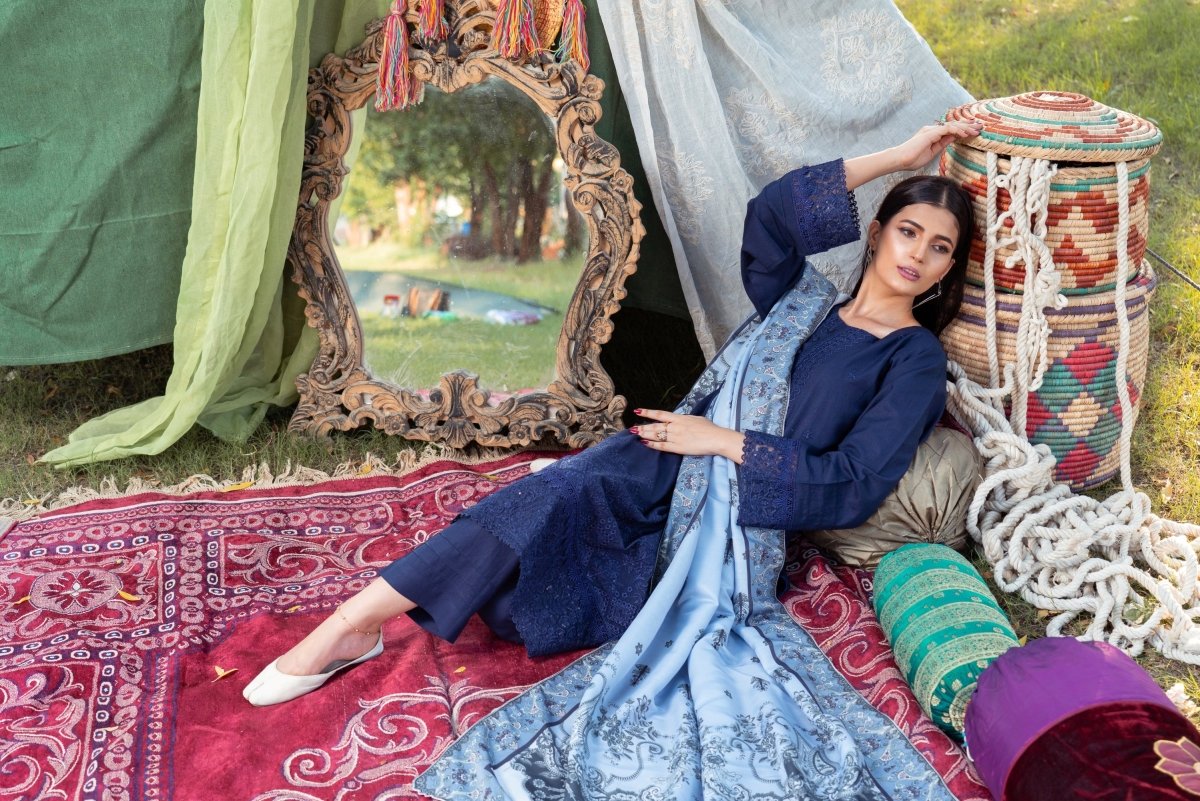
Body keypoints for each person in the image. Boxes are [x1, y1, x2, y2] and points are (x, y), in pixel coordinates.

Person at [244, 117, 982, 800]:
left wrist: (721, 440)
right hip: (659, 461)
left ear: (949, 267)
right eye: (907, 230)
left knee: (535, 562)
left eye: (940, 247)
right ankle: (354, 621)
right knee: (544, 510)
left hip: (735, 516)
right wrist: (900, 156)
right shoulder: (801, 300)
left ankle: (371, 615)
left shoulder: (912, 359)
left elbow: (854, 483)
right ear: (876, 233)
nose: (917, 254)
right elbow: (772, 214)